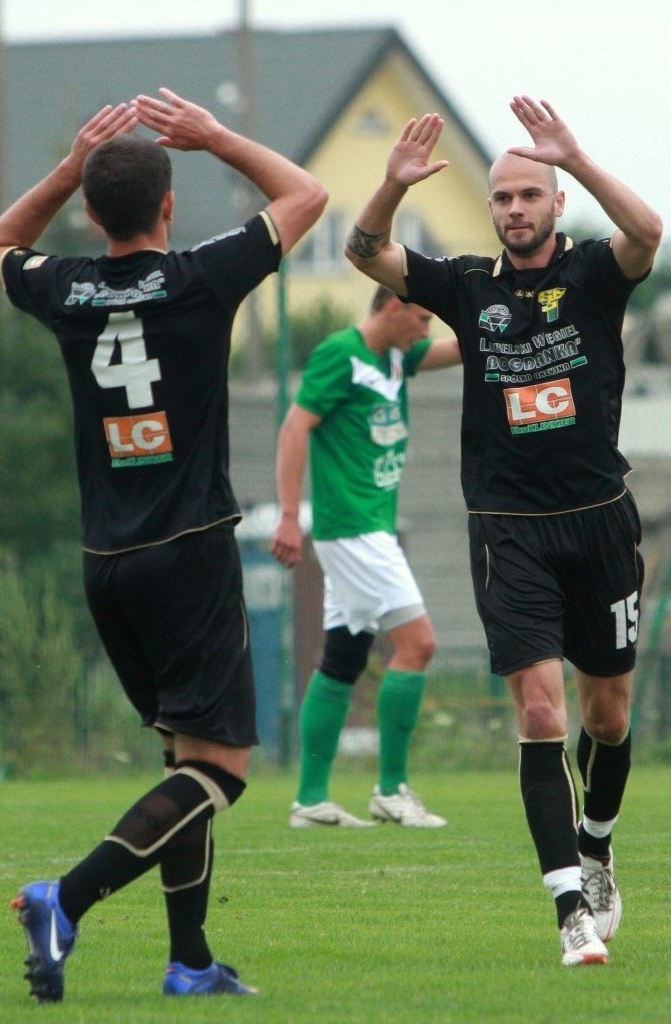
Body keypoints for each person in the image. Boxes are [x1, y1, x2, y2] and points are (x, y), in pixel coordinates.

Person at [0, 88, 327, 1001]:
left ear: (91, 212)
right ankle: (68, 897)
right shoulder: (200, 277)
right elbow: (306, 196)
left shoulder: (65, 287)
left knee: (183, 759)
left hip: (109, 562)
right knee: (221, 769)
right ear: (168, 206)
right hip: (192, 549)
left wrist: (66, 166)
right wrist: (213, 137)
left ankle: (192, 961)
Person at [344, 96, 662, 964]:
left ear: (556, 204)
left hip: (599, 523)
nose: (515, 209)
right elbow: (364, 251)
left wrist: (578, 156)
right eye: (503, 198)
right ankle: (569, 914)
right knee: (538, 708)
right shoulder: (469, 286)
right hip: (507, 530)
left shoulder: (596, 273)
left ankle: (597, 845)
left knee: (607, 714)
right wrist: (388, 187)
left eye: (530, 195)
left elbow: (649, 231)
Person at [271, 284, 460, 828]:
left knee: (344, 657)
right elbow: (294, 427)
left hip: (366, 527)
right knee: (418, 644)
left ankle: (309, 801)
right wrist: (288, 516)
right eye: (423, 318)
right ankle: (391, 790)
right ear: (393, 305)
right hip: (352, 527)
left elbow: (465, 347)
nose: (428, 331)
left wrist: (511, 311)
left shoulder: (399, 355)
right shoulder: (340, 354)